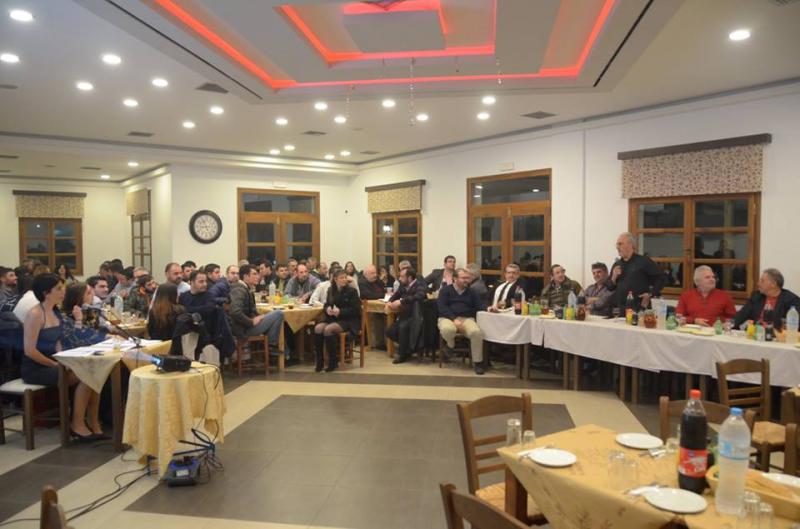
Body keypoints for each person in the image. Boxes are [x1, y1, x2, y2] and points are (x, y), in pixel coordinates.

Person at [22, 274, 103, 440]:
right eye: (58, 289)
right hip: (37, 367)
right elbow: (30, 350)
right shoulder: (35, 314)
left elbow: (64, 340)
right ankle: (77, 424)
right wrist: (55, 364)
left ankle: (93, 421)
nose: (63, 292)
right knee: (87, 375)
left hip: (56, 361)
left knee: (95, 372)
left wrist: (79, 321)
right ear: (46, 293)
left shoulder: (56, 311)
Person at [437, 268, 488, 374]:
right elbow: (442, 307)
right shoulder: (445, 290)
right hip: (447, 318)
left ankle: (478, 362)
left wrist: (489, 308)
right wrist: (454, 319)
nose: (466, 280)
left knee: (476, 333)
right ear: (455, 278)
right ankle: (451, 345)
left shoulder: (472, 292)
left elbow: (480, 306)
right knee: (448, 329)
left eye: (468, 278)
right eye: (463, 278)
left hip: (466, 319)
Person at [313, 269, 361, 372]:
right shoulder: (331, 290)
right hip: (333, 318)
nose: (344, 280)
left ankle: (333, 361)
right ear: (335, 279)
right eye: (341, 278)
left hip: (348, 320)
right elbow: (326, 304)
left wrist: (340, 312)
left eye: (345, 277)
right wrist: (327, 309)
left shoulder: (352, 291)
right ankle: (320, 360)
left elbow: (356, 310)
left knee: (328, 329)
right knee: (318, 328)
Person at [229, 264, 284, 346]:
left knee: (270, 315)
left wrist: (259, 317)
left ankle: (267, 346)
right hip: (243, 330)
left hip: (243, 326)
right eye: (254, 274)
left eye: (257, 274)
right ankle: (271, 345)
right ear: (245, 276)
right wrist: (251, 322)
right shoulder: (239, 289)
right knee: (278, 313)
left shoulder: (243, 287)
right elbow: (235, 312)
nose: (258, 277)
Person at [608, 232, 666, 310]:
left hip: (640, 307)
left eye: (620, 244)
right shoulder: (617, 264)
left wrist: (650, 294)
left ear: (630, 245)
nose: (617, 247)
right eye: (617, 244)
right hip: (621, 309)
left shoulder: (644, 261)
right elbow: (610, 287)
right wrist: (613, 277)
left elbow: (662, 278)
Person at [734, 268, 800, 331]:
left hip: (776, 336)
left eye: (762, 281)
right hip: (754, 334)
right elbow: (740, 316)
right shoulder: (757, 296)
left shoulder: (792, 300)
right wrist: (730, 325)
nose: (758, 284)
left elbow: (794, 326)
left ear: (773, 284)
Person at [386, 267, 427, 364]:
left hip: (416, 317)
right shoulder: (403, 285)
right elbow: (395, 295)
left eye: (402, 277)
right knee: (389, 331)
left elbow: (419, 296)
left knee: (402, 327)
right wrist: (389, 302)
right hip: (404, 316)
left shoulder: (419, 285)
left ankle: (402, 354)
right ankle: (409, 349)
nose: (400, 279)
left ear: (409, 278)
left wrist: (402, 301)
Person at [61, 283, 108, 349]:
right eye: (89, 293)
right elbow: (76, 338)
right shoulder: (66, 317)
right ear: (78, 298)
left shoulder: (89, 311)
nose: (93, 294)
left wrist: (110, 332)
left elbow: (96, 330)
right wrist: (78, 320)